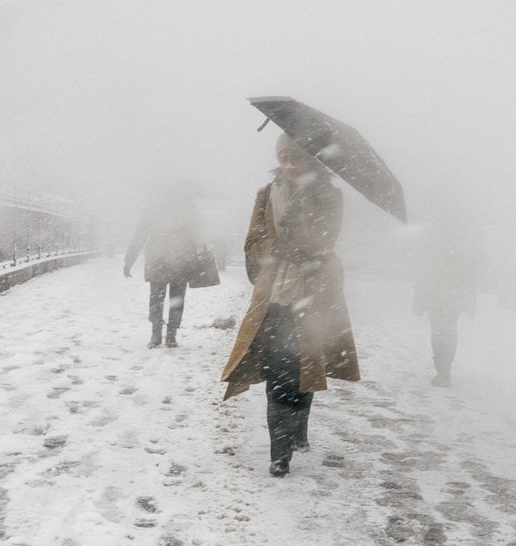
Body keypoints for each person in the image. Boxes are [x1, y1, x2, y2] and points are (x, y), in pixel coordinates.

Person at [220, 134, 360, 477]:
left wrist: (304, 234)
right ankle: (279, 453)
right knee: (280, 373)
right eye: (284, 158)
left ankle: (299, 429)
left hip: (315, 296)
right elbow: (252, 244)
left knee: (305, 370)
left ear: (312, 159)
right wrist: (275, 246)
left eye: (296, 157)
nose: (289, 164)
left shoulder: (330, 195)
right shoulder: (266, 194)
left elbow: (328, 240)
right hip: (274, 297)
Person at [409, 199, 484, 387]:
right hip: (448, 286)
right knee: (445, 327)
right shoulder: (461, 228)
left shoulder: (437, 228)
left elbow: (423, 258)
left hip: (445, 286)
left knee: (442, 328)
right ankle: (443, 368)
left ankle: (443, 370)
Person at [124, 187, 205, 348]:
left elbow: (140, 234)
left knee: (156, 298)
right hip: (181, 258)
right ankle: (171, 335)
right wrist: (201, 252)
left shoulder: (153, 205)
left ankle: (156, 334)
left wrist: (129, 260)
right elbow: (199, 231)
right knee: (177, 298)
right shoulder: (187, 205)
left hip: (158, 259)